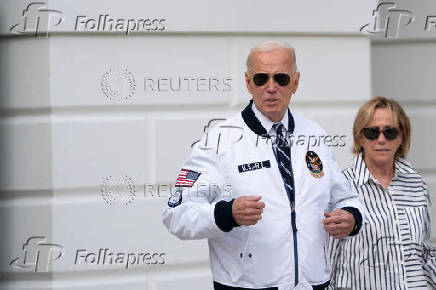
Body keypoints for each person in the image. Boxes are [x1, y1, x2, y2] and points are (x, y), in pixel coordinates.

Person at [163, 41, 364, 290]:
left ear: (296, 82)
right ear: (248, 83)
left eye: (281, 78)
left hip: (313, 284)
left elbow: (346, 198)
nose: (271, 88)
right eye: (261, 79)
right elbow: (175, 214)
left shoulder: (315, 135)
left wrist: (351, 218)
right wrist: (227, 213)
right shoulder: (218, 141)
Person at [329, 96, 436, 289]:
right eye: (371, 132)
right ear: (360, 137)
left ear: (401, 136)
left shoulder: (416, 184)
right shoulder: (342, 186)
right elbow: (329, 260)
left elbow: (426, 252)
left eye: (390, 132)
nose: (381, 139)